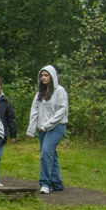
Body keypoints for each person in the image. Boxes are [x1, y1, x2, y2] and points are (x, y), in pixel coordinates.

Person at [26, 65, 68, 194]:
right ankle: (57, 183)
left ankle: (45, 183)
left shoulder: (60, 91)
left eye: (46, 75)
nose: (43, 78)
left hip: (57, 127)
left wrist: (48, 125)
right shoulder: (40, 93)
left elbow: (61, 110)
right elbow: (34, 111)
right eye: (42, 76)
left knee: (46, 152)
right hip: (42, 129)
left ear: (52, 76)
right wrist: (31, 129)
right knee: (51, 155)